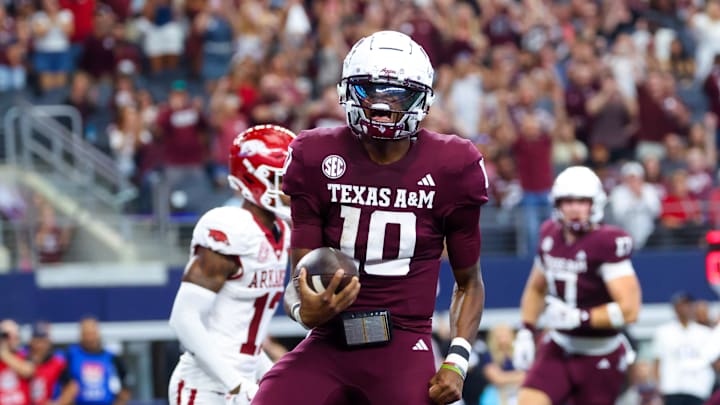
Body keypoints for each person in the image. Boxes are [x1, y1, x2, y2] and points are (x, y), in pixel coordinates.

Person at [253, 30, 489, 405]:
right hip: (329, 341)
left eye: (396, 93)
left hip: (403, 342)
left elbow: (469, 282)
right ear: (347, 91)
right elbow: (302, 276)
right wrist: (304, 308)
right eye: (370, 90)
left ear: (422, 99)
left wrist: (457, 361)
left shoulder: (453, 165)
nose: (382, 106)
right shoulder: (316, 155)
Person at [167, 124, 295, 405]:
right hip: (204, 387)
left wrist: (265, 374)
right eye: (280, 179)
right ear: (252, 178)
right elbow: (184, 319)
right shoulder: (231, 227)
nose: (290, 187)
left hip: (240, 383)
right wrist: (236, 384)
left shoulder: (282, 232)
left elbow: (240, 337)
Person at [512, 166, 642, 405]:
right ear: (557, 205)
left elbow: (630, 310)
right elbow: (536, 288)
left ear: (596, 204)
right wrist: (526, 331)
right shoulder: (549, 234)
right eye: (568, 201)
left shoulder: (607, 242)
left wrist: (578, 318)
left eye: (582, 201)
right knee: (528, 400)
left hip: (600, 351)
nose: (574, 208)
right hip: (560, 344)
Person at [652, 292, 714, 405]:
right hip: (671, 388)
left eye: (688, 305)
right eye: (681, 305)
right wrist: (658, 389)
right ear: (675, 308)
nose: (685, 309)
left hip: (698, 388)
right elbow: (657, 361)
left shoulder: (705, 333)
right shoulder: (663, 332)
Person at [56, 317, 130, 405]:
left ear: (98, 334)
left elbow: (125, 387)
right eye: (86, 334)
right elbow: (64, 386)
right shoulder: (70, 356)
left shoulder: (111, 358)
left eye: (92, 334)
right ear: (81, 335)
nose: (89, 339)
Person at [26, 321, 66, 405]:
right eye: (37, 341)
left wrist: (57, 403)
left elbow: (72, 386)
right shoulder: (23, 359)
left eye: (43, 341)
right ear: (31, 342)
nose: (39, 346)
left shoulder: (58, 362)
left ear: (48, 342)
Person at [0, 319, 33, 405]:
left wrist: (4, 353)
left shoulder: (25, 354)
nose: (12, 339)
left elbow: (27, 371)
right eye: (7, 336)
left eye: (15, 335)